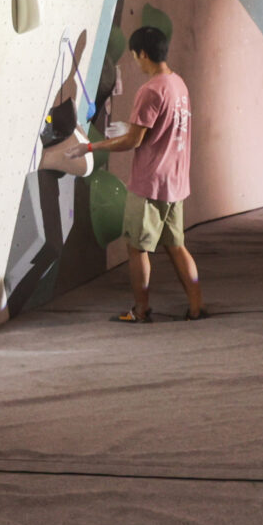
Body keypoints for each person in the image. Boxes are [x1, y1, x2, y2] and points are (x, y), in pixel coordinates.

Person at [74, 24, 205, 323]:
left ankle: (142, 308)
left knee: (136, 248)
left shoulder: (150, 90)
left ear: (143, 54)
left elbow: (134, 140)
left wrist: (91, 147)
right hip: (175, 182)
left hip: (150, 185)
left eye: (135, 56)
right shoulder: (178, 84)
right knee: (176, 245)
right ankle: (197, 305)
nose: (135, 61)